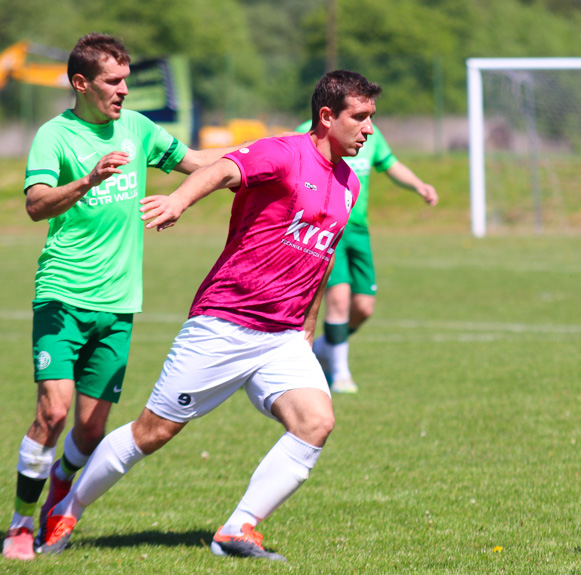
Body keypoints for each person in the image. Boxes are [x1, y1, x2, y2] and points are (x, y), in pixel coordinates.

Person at [37, 69, 380, 562]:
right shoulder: (282, 153)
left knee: (316, 422)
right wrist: (178, 200)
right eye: (360, 117)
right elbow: (220, 171)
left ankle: (237, 529)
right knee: (151, 432)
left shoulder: (347, 184)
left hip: (282, 337)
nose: (369, 128)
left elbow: (320, 258)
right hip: (225, 322)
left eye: (372, 117)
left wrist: (306, 324)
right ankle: (67, 506)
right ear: (327, 117)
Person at [3, 32, 247, 561]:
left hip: (118, 304)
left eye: (127, 81)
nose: (124, 92)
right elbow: (36, 205)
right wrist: (88, 180)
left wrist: (267, 152)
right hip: (63, 294)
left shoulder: (136, 128)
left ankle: (59, 495)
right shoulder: (54, 136)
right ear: (81, 83)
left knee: (91, 430)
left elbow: (198, 159)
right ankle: (21, 523)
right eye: (114, 83)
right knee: (55, 411)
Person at [294, 119, 438, 394]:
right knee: (338, 300)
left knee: (364, 308)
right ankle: (340, 374)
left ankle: (325, 348)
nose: (366, 122)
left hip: (359, 232)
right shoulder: (306, 132)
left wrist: (419, 185)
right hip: (326, 227)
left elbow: (390, 164)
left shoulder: (371, 135)